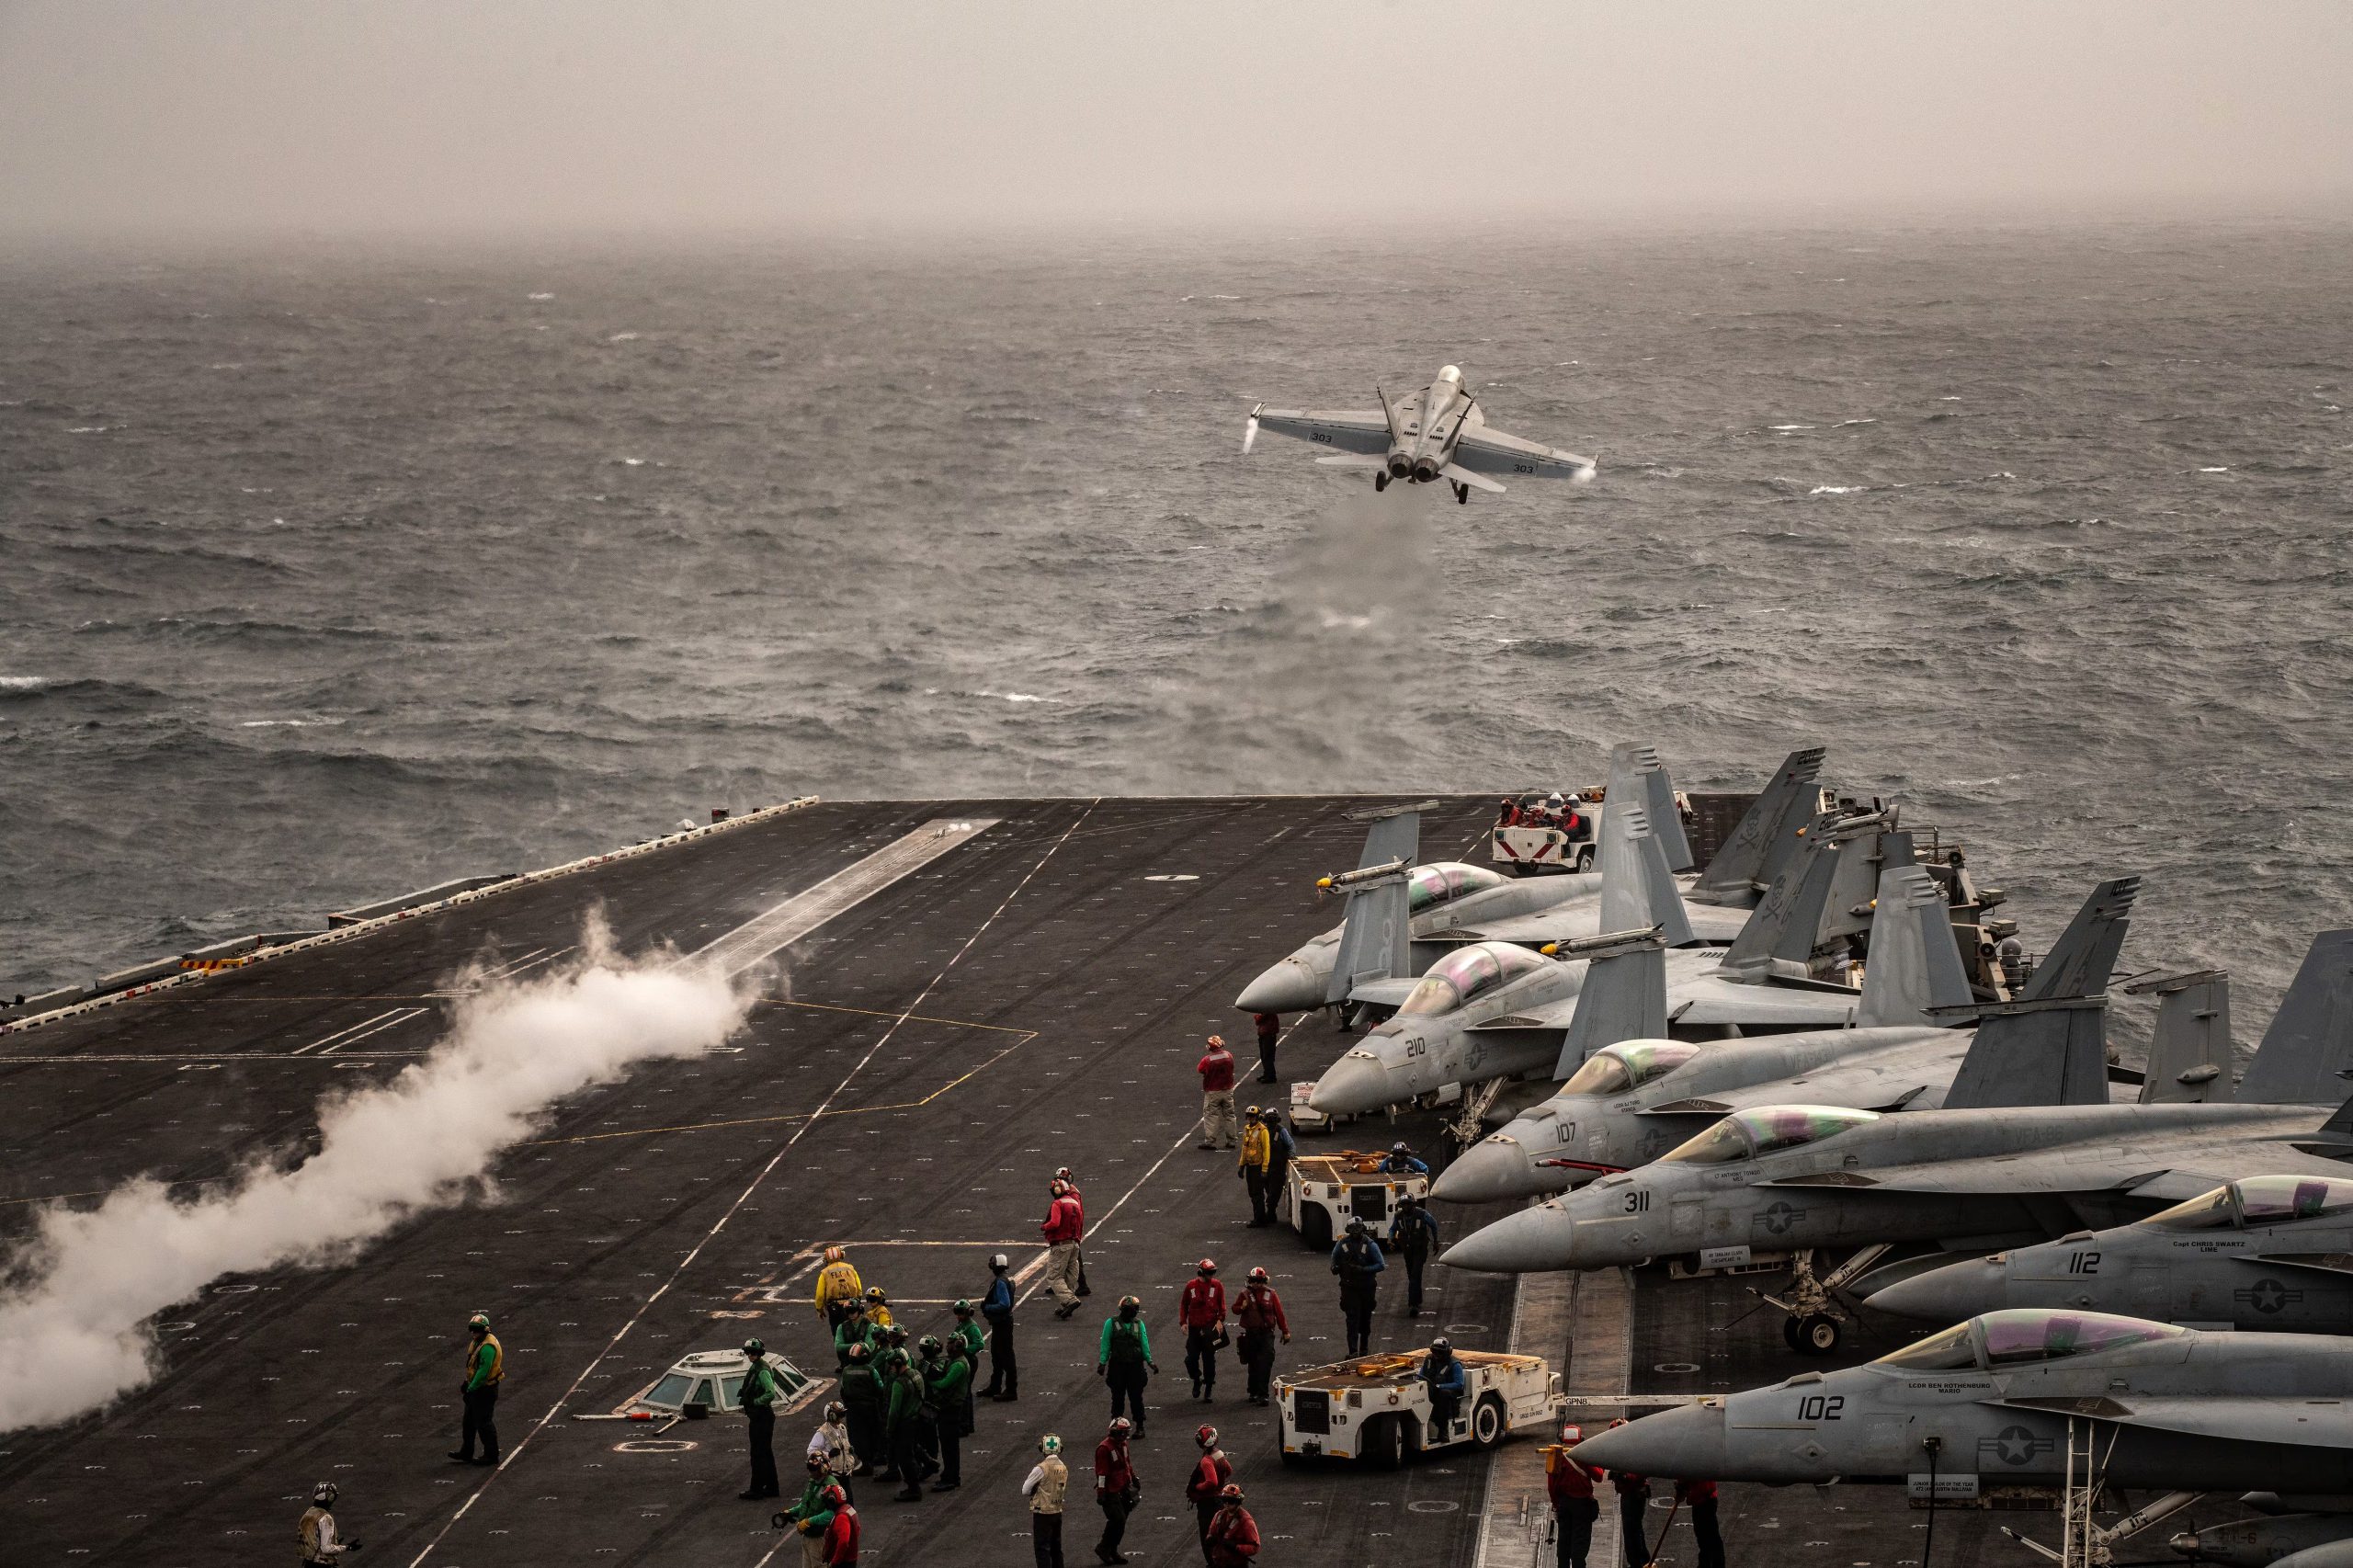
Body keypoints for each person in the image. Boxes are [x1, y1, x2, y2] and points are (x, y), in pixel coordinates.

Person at [1097, 1295, 1157, 1434]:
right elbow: (1105, 1344)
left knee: (1136, 1397)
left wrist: (1150, 1362)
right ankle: (1116, 1425)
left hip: (1135, 1367)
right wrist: (1102, 1363)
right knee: (1117, 1397)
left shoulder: (1139, 1324)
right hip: (1117, 1366)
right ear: (1125, 1309)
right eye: (1133, 1309)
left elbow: (1144, 1344)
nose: (1135, 1312)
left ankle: (1140, 1426)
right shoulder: (1111, 1323)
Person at [448, 1311, 503, 1466]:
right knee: (468, 1422)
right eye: (471, 1329)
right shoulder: (478, 1342)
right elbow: (473, 1366)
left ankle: (491, 1455)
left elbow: (483, 1372)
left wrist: (471, 1388)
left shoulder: (488, 1347)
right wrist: (467, 1382)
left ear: (485, 1330)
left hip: (485, 1389)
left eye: (476, 1329)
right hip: (476, 1387)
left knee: (484, 1423)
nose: (473, 1332)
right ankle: (467, 1452)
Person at [1232, 1267, 1290, 1406]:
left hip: (1266, 1334)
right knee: (1253, 1363)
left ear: (1264, 1281)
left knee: (1266, 1362)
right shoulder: (1244, 1294)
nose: (1256, 1284)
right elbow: (1235, 1309)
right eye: (1253, 1281)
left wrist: (1285, 1331)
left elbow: (1279, 1313)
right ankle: (1253, 1391)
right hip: (1251, 1334)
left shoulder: (1271, 1294)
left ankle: (1263, 1394)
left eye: (1259, 1281)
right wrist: (1242, 1307)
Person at [1545, 1431, 1603, 1568]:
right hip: (1583, 1506)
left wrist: (1556, 1505)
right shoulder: (1584, 1455)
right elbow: (1599, 1476)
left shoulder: (1557, 1456)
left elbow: (1551, 1485)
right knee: (1580, 1542)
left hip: (1564, 1505)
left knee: (1564, 1541)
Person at [922, 1333, 970, 1492]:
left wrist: (930, 1381)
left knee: (949, 1446)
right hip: (949, 1408)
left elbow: (944, 1384)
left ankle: (951, 1478)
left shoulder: (959, 1365)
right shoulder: (954, 1361)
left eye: (950, 1343)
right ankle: (949, 1475)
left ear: (957, 1345)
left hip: (951, 1409)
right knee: (948, 1445)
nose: (947, 1346)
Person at [1331, 1221, 1385, 1356]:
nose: (1355, 1231)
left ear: (1363, 1229)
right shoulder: (1342, 1244)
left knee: (1365, 1318)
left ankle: (1364, 1348)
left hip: (1366, 1287)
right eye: (1352, 1228)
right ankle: (1353, 1351)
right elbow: (1334, 1258)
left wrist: (1363, 1269)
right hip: (1349, 1287)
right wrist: (1335, 1267)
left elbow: (1380, 1265)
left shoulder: (1370, 1245)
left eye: (1358, 1228)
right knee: (1352, 1319)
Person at [885, 1346, 933, 1501]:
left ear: (897, 1364)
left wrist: (890, 1430)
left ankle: (914, 1489)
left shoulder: (899, 1384)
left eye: (892, 1365)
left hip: (904, 1424)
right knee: (913, 1446)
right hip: (917, 1419)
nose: (891, 1368)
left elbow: (894, 1411)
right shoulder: (917, 1374)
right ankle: (929, 1462)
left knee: (905, 1457)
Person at [740, 1337, 784, 1500]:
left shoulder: (762, 1370)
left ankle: (756, 1489)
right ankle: (772, 1487)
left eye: (753, 1352)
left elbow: (770, 1392)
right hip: (761, 1416)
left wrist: (756, 1402)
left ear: (759, 1353)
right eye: (748, 1352)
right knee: (765, 1452)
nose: (750, 1355)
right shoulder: (757, 1367)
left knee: (758, 1453)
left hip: (761, 1416)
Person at [1178, 1258, 1227, 1401]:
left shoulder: (1217, 1286)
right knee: (1191, 1359)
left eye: (1213, 1272)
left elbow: (1222, 1307)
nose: (1212, 1275)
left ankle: (1209, 1388)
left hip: (1209, 1329)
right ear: (1201, 1272)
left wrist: (1220, 1320)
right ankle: (1196, 1379)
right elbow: (1184, 1305)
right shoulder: (1191, 1286)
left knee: (1209, 1359)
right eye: (1209, 1272)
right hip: (1194, 1329)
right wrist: (1183, 1322)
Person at [1093, 1417, 1139, 1565]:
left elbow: (1127, 1463)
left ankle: (1112, 1549)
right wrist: (1101, 1492)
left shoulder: (1123, 1445)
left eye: (1126, 1432)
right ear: (1115, 1432)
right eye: (1123, 1433)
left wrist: (1133, 1478)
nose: (1125, 1436)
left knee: (1121, 1521)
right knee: (1117, 1519)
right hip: (1110, 1491)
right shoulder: (1104, 1449)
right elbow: (1102, 1473)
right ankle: (1103, 1547)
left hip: (1123, 1488)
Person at [780, 1456, 840, 1568]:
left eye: (813, 1469)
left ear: (822, 1469)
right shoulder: (813, 1481)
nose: (810, 1472)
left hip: (820, 1537)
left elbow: (832, 1514)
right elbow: (806, 1503)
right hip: (808, 1535)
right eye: (809, 1468)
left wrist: (809, 1521)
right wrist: (791, 1512)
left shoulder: (831, 1486)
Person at [1186, 1426, 1233, 1562]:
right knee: (1220, 1533)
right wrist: (1220, 1485)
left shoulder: (1206, 1461)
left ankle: (1212, 1563)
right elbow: (1229, 1470)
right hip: (1220, 1500)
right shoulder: (1218, 1454)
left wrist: (1198, 1487)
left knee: (1207, 1535)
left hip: (1208, 1503)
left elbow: (1212, 1482)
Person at [1023, 1434, 1069, 1568]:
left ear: (1042, 1448)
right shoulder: (1063, 1467)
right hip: (1057, 1511)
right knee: (1056, 1548)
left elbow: (1025, 1490)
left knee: (1042, 1549)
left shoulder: (1041, 1468)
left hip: (1042, 1513)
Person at [1043, 1179, 1086, 1319]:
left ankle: (1069, 1300)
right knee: (1070, 1275)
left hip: (1061, 1244)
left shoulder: (1058, 1203)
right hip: (1074, 1244)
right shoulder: (1074, 1202)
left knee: (1054, 1276)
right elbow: (1080, 1223)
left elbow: (1055, 1223)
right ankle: (1066, 1305)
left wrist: (1044, 1227)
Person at [839, 1342, 882, 1479]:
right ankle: (871, 1459)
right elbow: (880, 1387)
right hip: (870, 1407)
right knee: (872, 1432)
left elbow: (843, 1390)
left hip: (853, 1409)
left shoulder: (846, 1371)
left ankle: (865, 1461)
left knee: (857, 1435)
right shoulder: (871, 1370)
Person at [1608, 1436, 1651, 1568]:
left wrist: (1625, 1476)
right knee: (1633, 1529)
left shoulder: (1636, 1450)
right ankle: (1639, 1560)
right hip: (1629, 1493)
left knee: (1632, 1530)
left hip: (1634, 1494)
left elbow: (1643, 1469)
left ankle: (1638, 1561)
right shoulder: (1627, 1448)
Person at [1393, 1196, 1441, 1316]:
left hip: (1420, 1250)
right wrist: (1389, 1239)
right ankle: (1418, 1298)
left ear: (1413, 1204)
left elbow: (1434, 1224)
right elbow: (1392, 1229)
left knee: (1415, 1274)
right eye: (1404, 1204)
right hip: (1407, 1251)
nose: (1406, 1206)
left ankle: (1413, 1304)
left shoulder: (1422, 1214)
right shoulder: (1398, 1216)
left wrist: (1436, 1241)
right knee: (1412, 1275)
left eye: (1408, 1204)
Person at [983, 1253, 1020, 1400]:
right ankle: (995, 1386)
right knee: (997, 1354)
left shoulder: (1000, 1282)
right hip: (1004, 1322)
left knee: (1005, 1355)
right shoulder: (1008, 1279)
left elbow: (1005, 1304)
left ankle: (1011, 1390)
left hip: (1002, 1323)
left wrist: (988, 1307)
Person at [299, 1481, 359, 1564]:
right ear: (329, 1498)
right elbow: (326, 1548)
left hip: (307, 1563)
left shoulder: (307, 1514)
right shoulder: (326, 1518)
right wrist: (347, 1547)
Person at [1197, 1035, 1239, 1150]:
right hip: (1228, 1090)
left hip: (1213, 1092)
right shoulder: (1228, 1055)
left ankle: (1210, 1141)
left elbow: (1200, 1069)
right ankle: (1232, 1140)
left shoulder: (1207, 1060)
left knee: (1211, 1116)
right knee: (1230, 1115)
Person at [1056, 1166, 1094, 1298]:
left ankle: (1082, 1285)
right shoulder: (1069, 1191)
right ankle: (1061, 1284)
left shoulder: (1072, 1193)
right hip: (1071, 1229)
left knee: (1074, 1257)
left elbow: (1074, 1213)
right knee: (1067, 1256)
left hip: (1071, 1230)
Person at [1204, 1483, 1260, 1567]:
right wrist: (1210, 1539)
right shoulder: (1219, 1515)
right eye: (1224, 1500)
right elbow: (1211, 1533)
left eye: (1230, 1501)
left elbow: (1255, 1547)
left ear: (1238, 1502)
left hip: (1237, 1564)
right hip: (1219, 1563)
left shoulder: (1246, 1521)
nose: (1226, 1504)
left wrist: (1236, 1547)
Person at [1421, 1336, 1467, 1438]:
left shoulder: (1455, 1364)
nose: (1437, 1354)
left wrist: (1439, 1386)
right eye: (1434, 1351)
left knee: (1443, 1394)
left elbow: (1459, 1384)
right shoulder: (1429, 1360)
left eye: (1440, 1352)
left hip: (1449, 1394)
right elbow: (1421, 1376)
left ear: (1448, 1352)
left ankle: (1443, 1429)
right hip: (1432, 1390)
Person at [950, 1298, 985, 1431]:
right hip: (963, 1359)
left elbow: (980, 1343)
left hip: (969, 1360)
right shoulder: (962, 1325)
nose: (958, 1316)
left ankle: (965, 1424)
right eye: (957, 1313)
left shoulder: (972, 1327)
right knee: (965, 1392)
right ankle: (967, 1424)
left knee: (964, 1393)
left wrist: (965, 1350)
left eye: (961, 1313)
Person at [809, 1400, 857, 1499]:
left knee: (849, 1501)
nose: (841, 1417)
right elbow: (811, 1451)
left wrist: (849, 1450)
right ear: (831, 1415)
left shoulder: (842, 1428)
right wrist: (828, 1454)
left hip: (845, 1473)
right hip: (832, 1474)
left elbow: (843, 1445)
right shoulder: (822, 1432)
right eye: (839, 1414)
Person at [1675, 1476, 1724, 1568]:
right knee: (1706, 1538)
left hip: (1704, 1498)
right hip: (1702, 1498)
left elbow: (1687, 1474)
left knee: (1708, 1538)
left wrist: (1681, 1486)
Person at [1238, 1109, 1276, 1226]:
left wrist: (1264, 1169)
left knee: (1257, 1193)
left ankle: (1260, 1219)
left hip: (1258, 1167)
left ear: (1258, 1116)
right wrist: (1241, 1166)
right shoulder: (1246, 1129)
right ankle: (1259, 1217)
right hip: (1249, 1166)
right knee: (1252, 1193)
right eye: (1248, 1116)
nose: (1250, 1118)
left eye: (1252, 1116)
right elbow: (1244, 1149)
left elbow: (1266, 1151)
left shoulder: (1262, 1130)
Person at [814, 1244, 863, 1330]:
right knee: (854, 1331)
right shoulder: (850, 1268)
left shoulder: (825, 1273)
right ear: (841, 1255)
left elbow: (820, 1295)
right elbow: (859, 1289)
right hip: (852, 1305)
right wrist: (858, 1301)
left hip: (835, 1309)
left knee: (837, 1333)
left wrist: (819, 1309)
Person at [816, 1483, 859, 1567]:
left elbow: (843, 1542)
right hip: (850, 1559)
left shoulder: (841, 1517)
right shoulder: (848, 1508)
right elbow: (857, 1529)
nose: (825, 1504)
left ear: (832, 1501)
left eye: (826, 1500)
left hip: (843, 1562)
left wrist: (835, 1561)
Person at [833, 1300, 872, 1369]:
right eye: (848, 1312)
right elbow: (838, 1347)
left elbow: (871, 1347)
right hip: (848, 1364)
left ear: (860, 1310)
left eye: (853, 1311)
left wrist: (852, 1347)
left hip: (866, 1364)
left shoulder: (870, 1326)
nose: (850, 1314)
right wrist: (858, 1345)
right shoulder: (841, 1327)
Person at [1251, 1012, 1280, 1084]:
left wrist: (1256, 1016)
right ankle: (1267, 1074)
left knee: (1267, 1056)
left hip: (1268, 1035)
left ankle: (1271, 1076)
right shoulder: (1269, 1011)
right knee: (1264, 1056)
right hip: (1265, 1034)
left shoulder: (1266, 1010)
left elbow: (1258, 1020)